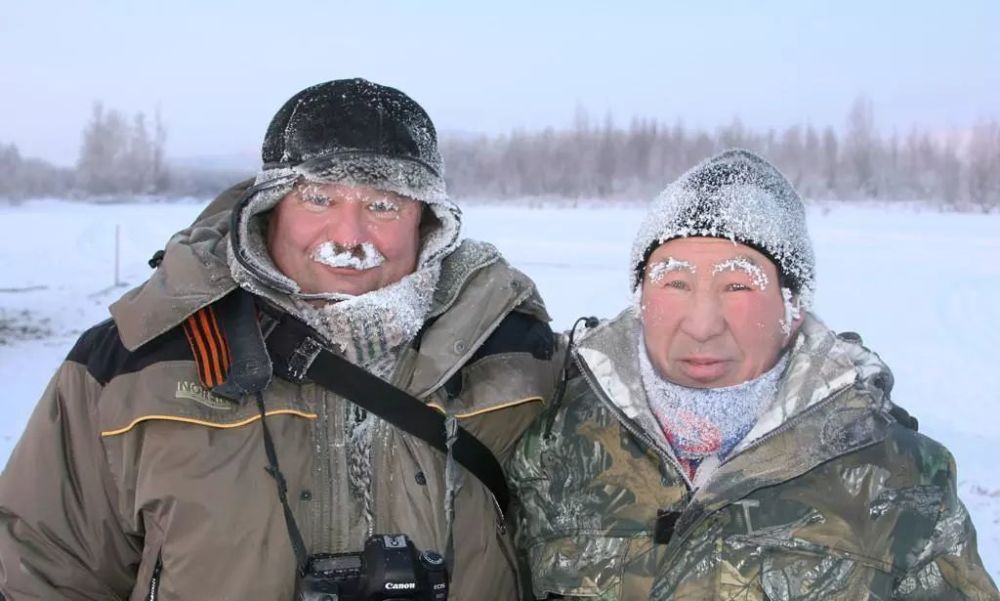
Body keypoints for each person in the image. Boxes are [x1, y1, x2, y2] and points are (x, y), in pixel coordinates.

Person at [0, 78, 559, 600]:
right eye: (319, 198)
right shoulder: (130, 366)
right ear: (269, 208)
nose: (349, 237)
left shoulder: (518, 357)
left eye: (383, 205)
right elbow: (43, 570)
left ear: (428, 221)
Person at [509, 149, 998, 599]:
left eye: (739, 285)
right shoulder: (546, 441)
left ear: (793, 308)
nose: (702, 325)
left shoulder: (898, 477)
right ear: (641, 299)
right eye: (675, 282)